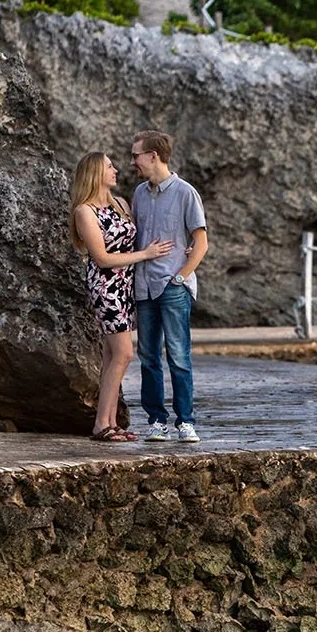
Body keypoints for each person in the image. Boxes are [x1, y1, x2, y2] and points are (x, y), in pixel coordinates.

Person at [70, 151, 173, 442]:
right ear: (94, 174)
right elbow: (101, 258)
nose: (116, 170)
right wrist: (146, 255)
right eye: (109, 166)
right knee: (125, 354)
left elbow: (140, 236)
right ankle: (100, 424)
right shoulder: (85, 211)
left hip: (127, 287)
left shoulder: (121, 204)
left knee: (111, 356)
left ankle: (111, 422)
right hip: (106, 288)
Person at [129, 129, 207, 443]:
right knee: (148, 357)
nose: (133, 161)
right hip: (144, 286)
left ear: (154, 156)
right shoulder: (138, 194)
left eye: (136, 155)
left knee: (178, 355)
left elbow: (201, 243)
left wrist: (180, 277)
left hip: (173, 286)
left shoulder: (186, 192)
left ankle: (185, 422)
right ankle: (156, 421)